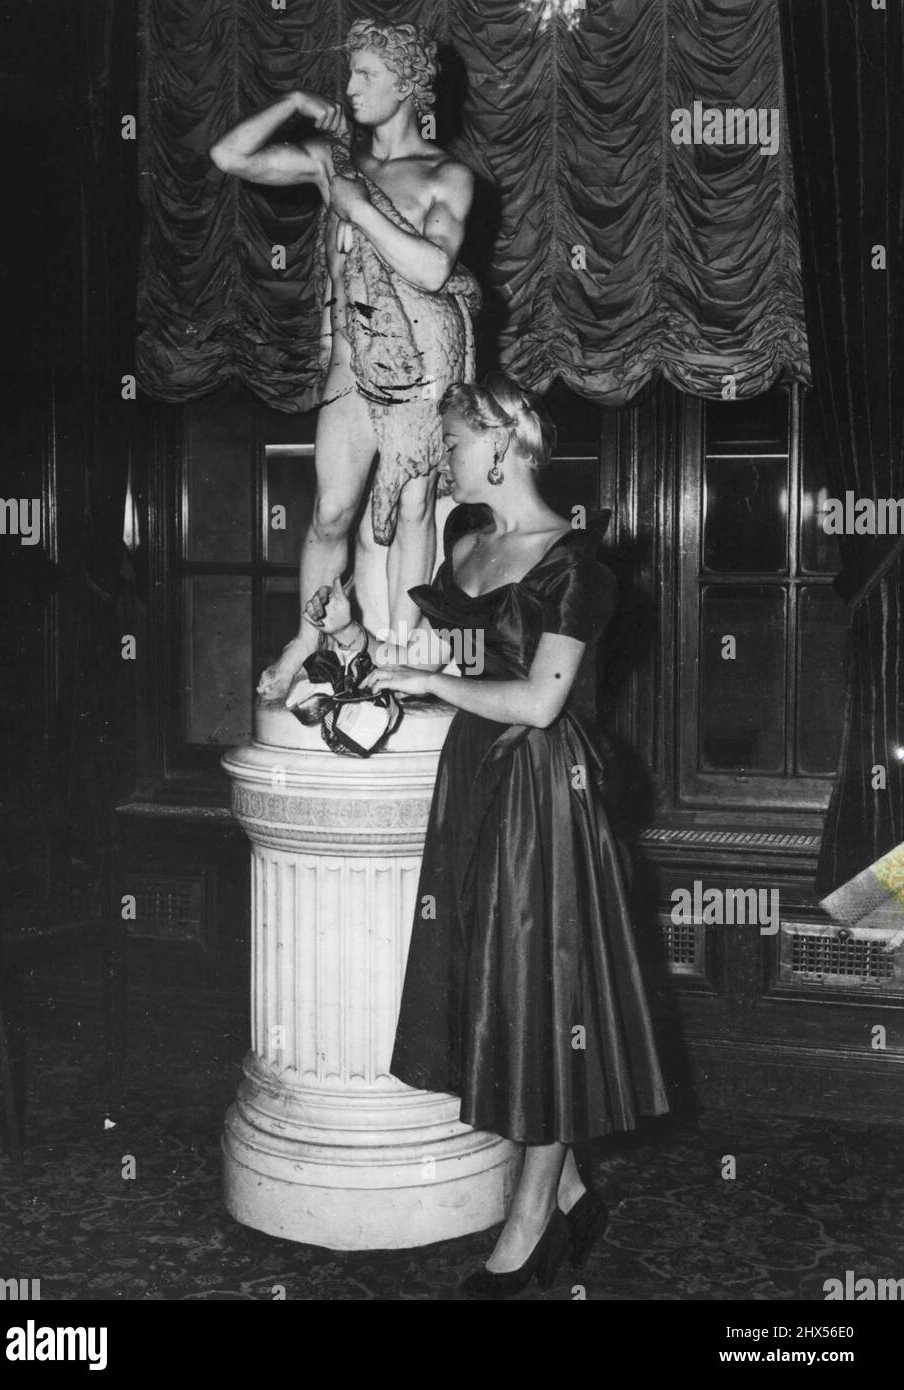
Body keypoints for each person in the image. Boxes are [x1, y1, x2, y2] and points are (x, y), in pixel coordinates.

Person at [304, 372, 670, 1298]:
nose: (445, 458)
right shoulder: (470, 548)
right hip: (475, 783)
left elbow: (542, 702)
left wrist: (433, 686)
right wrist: (367, 649)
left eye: (456, 444)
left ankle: (528, 1225)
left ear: (501, 446)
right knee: (503, 992)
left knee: (541, 998)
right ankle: (576, 1192)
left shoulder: (577, 567)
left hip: (547, 792)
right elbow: (450, 655)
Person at [209, 19, 479, 702]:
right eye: (349, 73)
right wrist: (297, 104)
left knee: (415, 504)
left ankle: (399, 651)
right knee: (330, 511)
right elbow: (228, 156)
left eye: (366, 75)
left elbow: (433, 266)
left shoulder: (445, 175)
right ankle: (308, 638)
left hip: (420, 362)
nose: (351, 88)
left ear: (410, 85)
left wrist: (357, 208)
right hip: (351, 362)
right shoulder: (337, 161)